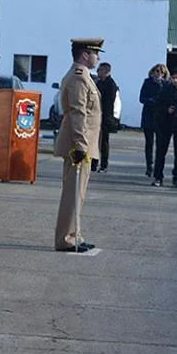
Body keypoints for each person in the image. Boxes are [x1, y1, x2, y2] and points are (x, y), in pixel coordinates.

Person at [54, 38, 103, 253]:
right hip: (78, 145)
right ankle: (66, 238)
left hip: (85, 143)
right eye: (96, 53)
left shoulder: (84, 77)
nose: (98, 58)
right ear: (85, 54)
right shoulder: (78, 78)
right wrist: (82, 146)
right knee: (72, 194)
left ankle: (75, 234)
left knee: (78, 193)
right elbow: (78, 114)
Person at [139, 63, 168, 177]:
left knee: (160, 143)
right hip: (149, 115)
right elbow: (142, 98)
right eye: (157, 71)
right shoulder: (147, 82)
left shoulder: (166, 84)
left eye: (161, 72)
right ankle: (149, 166)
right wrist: (151, 101)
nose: (159, 74)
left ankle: (158, 167)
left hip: (161, 117)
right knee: (149, 143)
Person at [91, 62, 118, 172]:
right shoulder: (98, 83)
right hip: (96, 114)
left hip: (105, 115)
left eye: (100, 70)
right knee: (95, 141)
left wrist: (105, 116)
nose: (98, 72)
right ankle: (94, 163)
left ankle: (104, 165)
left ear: (106, 71)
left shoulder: (110, 84)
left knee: (104, 142)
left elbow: (108, 102)